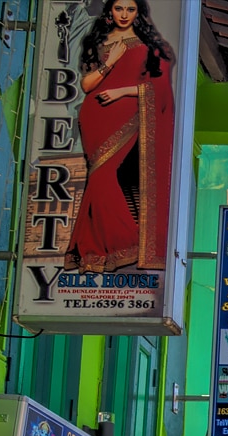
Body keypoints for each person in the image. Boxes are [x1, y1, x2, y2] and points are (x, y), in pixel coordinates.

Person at [69, 0, 176, 272]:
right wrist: (111, 63)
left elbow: (159, 89)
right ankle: (98, 252)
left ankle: (121, 243)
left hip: (128, 112)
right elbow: (86, 84)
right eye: (119, 9)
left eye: (130, 9)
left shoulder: (152, 47)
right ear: (110, 11)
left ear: (138, 13)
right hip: (95, 114)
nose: (125, 15)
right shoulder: (100, 41)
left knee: (103, 176)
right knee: (98, 177)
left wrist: (121, 91)